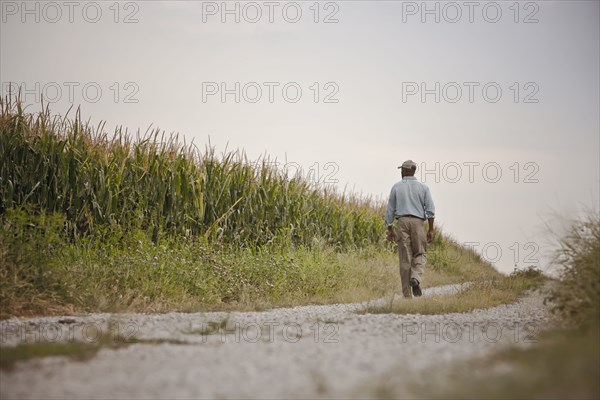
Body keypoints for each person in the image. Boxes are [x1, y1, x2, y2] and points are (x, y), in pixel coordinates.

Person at [385, 160, 435, 298]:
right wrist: (430, 230)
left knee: (405, 258)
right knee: (420, 253)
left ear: (406, 171)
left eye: (402, 170)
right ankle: (416, 277)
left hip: (402, 222)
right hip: (418, 222)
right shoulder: (423, 188)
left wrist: (390, 228)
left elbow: (390, 210)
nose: (401, 172)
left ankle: (407, 296)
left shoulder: (396, 187)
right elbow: (430, 210)